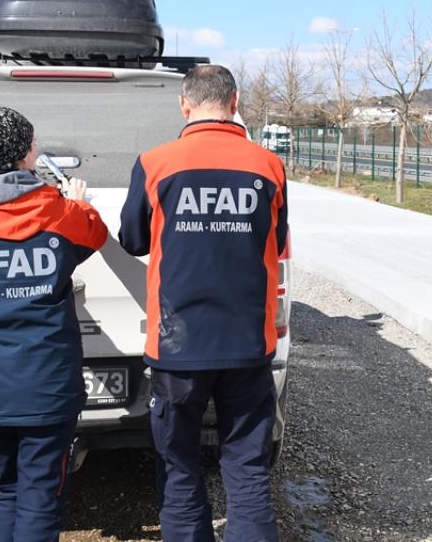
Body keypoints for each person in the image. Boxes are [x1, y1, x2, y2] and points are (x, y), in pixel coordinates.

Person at [119, 64, 287, 542]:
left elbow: (132, 239)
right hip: (247, 345)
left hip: (177, 347)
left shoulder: (155, 163)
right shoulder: (268, 165)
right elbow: (276, 240)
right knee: (247, 468)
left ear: (184, 105)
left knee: (178, 464)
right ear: (235, 103)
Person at [0, 106, 108, 542]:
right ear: (25, 154)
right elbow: (95, 235)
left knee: (6, 489)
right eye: (32, 144)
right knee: (39, 496)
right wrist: (78, 202)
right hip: (46, 386)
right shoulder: (58, 211)